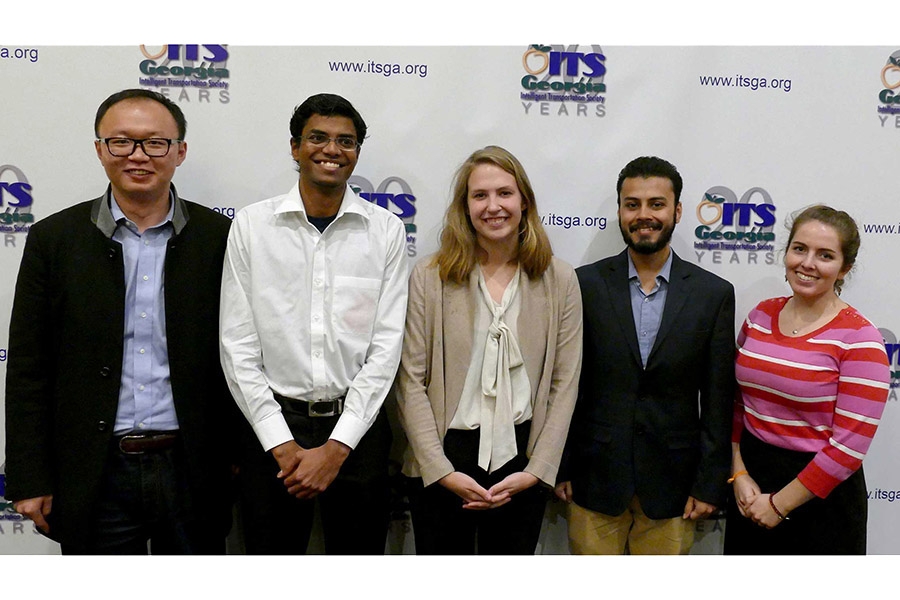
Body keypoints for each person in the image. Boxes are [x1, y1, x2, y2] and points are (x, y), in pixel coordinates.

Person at [4, 88, 235, 554]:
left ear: (179, 152)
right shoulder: (54, 239)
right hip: (94, 470)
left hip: (192, 469)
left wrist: (236, 461)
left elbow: (243, 356)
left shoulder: (221, 239)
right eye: (121, 142)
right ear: (99, 150)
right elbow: (29, 365)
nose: (138, 156)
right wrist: (29, 475)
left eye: (155, 143)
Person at [219, 93, 408, 554]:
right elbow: (237, 345)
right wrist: (279, 443)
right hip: (272, 432)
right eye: (317, 138)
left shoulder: (385, 231)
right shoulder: (252, 226)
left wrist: (338, 447)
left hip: (357, 431)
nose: (331, 149)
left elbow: (386, 348)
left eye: (346, 141)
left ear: (357, 152)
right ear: (294, 147)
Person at [396, 145, 582, 554]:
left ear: (524, 202)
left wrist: (537, 471)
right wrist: (441, 470)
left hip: (523, 461)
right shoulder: (430, 276)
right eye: (480, 195)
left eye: (504, 193)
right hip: (443, 459)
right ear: (464, 207)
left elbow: (564, 384)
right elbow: (409, 381)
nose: (493, 206)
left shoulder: (559, 278)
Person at [555, 156, 735, 554]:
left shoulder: (713, 294)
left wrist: (709, 483)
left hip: (674, 487)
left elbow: (719, 400)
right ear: (620, 210)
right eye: (632, 204)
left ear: (677, 211)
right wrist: (560, 465)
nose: (644, 215)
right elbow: (565, 384)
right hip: (594, 479)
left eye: (656, 204)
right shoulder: (582, 284)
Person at [725, 205, 890, 554]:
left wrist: (779, 505)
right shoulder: (760, 315)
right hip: (751, 486)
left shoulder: (861, 339)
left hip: (820, 500)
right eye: (799, 249)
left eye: (825, 255)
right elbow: (738, 404)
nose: (808, 263)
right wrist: (738, 474)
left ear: (844, 268)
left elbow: (848, 448)